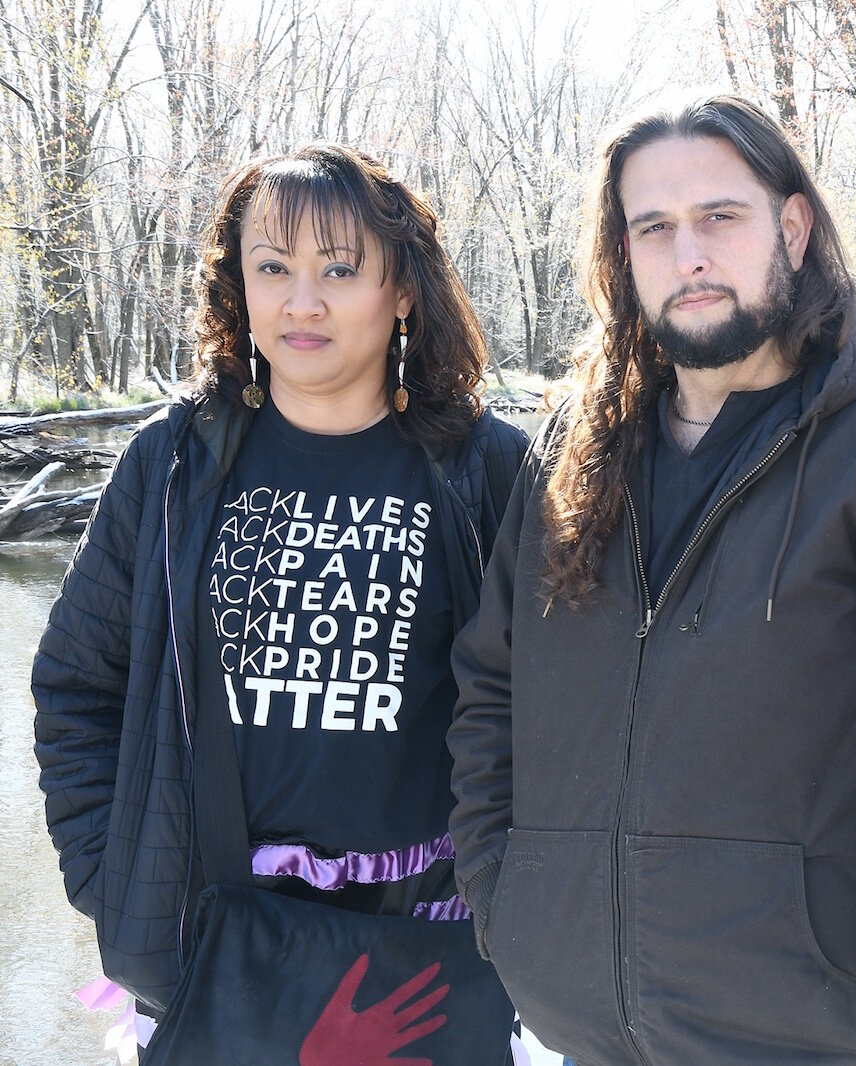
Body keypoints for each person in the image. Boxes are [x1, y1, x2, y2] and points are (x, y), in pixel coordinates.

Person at [447, 93, 856, 1066]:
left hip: (828, 1044)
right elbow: (493, 689)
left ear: (793, 224)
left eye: (718, 218)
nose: (686, 254)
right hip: (583, 1034)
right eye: (652, 227)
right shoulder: (576, 450)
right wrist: (507, 904)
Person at [32, 144, 529, 1051]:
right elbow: (76, 687)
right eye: (273, 268)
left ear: (403, 290)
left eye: (340, 269)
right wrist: (117, 881)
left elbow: (555, 717)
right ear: (239, 286)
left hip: (430, 957)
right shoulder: (174, 465)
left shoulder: (484, 472)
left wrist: (518, 904)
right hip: (212, 950)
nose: (304, 301)